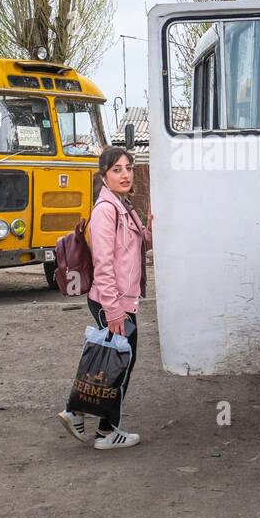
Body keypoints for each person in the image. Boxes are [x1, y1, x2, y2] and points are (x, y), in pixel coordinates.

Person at [58, 146, 153, 450]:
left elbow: (139, 245)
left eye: (128, 168)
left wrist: (151, 227)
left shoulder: (123, 205)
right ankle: (103, 430)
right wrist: (113, 312)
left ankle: (84, 417)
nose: (125, 174)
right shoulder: (105, 211)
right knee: (118, 363)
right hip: (111, 301)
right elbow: (104, 265)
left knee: (112, 361)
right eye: (117, 170)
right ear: (103, 176)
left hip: (120, 301)